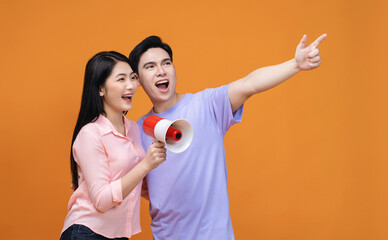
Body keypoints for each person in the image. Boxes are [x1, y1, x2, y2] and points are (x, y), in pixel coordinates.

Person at [128, 34, 327, 240]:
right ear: (138, 79)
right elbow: (145, 187)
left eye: (166, 63)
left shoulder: (207, 105)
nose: (161, 71)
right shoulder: (137, 130)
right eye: (150, 66)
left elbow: (249, 84)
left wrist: (295, 64)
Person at [60, 51, 166, 240]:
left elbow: (136, 185)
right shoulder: (90, 134)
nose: (131, 86)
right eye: (121, 79)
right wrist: (146, 165)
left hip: (117, 235)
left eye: (133, 78)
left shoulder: (133, 129)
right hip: (87, 232)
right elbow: (101, 200)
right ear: (101, 89)